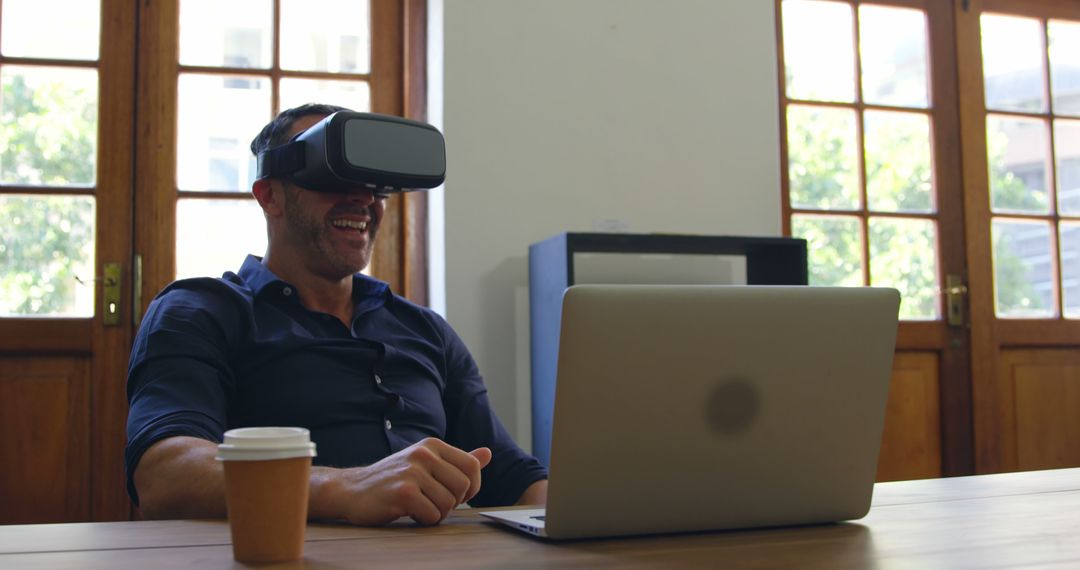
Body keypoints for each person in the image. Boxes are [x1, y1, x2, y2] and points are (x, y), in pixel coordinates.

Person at [125, 103, 548, 526]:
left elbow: (509, 475)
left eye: (374, 184)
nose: (362, 198)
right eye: (331, 176)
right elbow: (164, 477)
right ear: (269, 195)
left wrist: (593, 507)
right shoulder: (199, 312)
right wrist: (347, 488)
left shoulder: (425, 330)